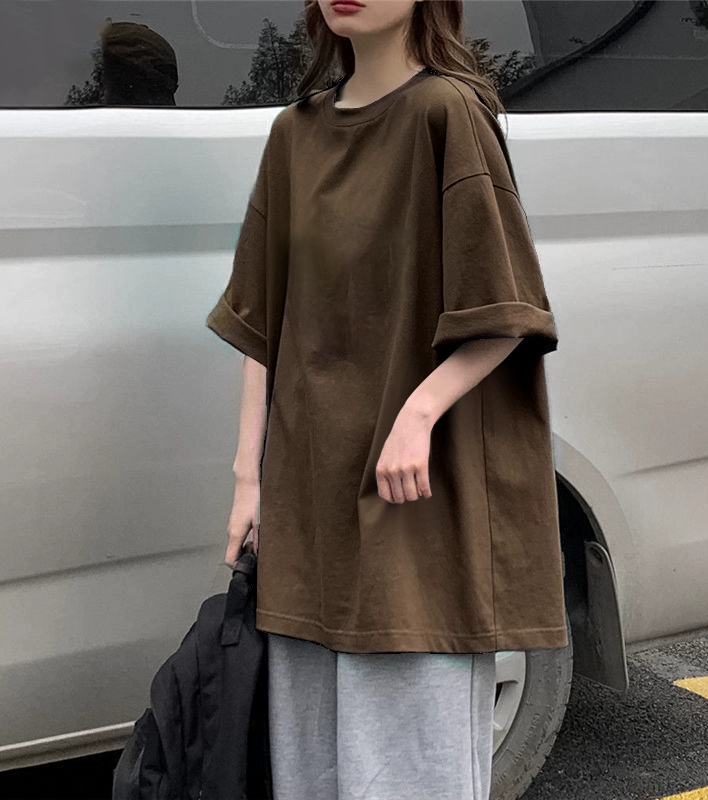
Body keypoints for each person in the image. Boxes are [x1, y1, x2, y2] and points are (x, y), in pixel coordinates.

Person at [205, 1, 568, 797]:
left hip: (413, 504)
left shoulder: (448, 112)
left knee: (409, 769)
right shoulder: (294, 134)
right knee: (311, 770)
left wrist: (418, 412)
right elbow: (262, 324)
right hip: (311, 504)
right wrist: (248, 479)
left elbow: (507, 311)